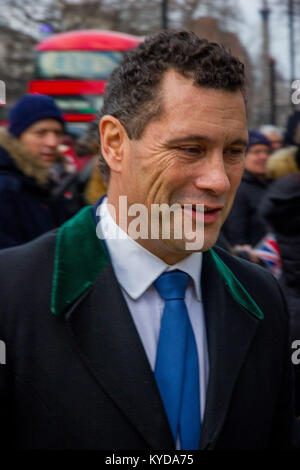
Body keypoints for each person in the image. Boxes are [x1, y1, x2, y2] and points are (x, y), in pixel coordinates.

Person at [0, 31, 299, 450]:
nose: (218, 180)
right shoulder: (11, 293)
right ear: (115, 144)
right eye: (190, 149)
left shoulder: (261, 295)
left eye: (234, 151)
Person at [0, 94, 74, 248]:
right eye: (40, 133)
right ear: (17, 136)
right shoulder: (6, 188)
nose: (52, 142)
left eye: (58, 133)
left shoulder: (52, 183)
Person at [221, 130, 271, 253]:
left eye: (266, 152)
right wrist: (245, 255)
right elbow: (235, 228)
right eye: (257, 152)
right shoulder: (238, 187)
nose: (263, 157)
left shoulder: (271, 183)